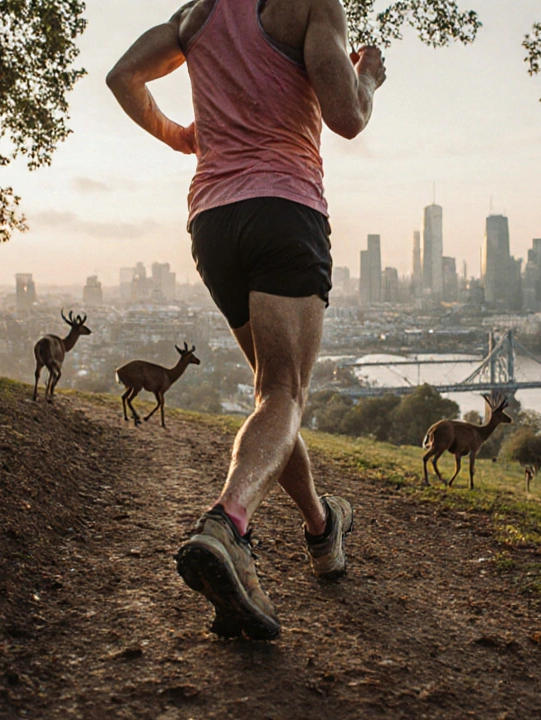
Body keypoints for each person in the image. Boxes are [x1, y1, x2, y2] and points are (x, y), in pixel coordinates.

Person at [107, 0, 386, 640]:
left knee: (272, 396)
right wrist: (368, 73)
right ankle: (228, 526)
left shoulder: (195, 15)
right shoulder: (313, 6)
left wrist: (181, 135)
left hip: (213, 223)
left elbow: (123, 77)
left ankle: (322, 528)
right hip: (283, 208)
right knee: (284, 393)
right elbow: (347, 116)